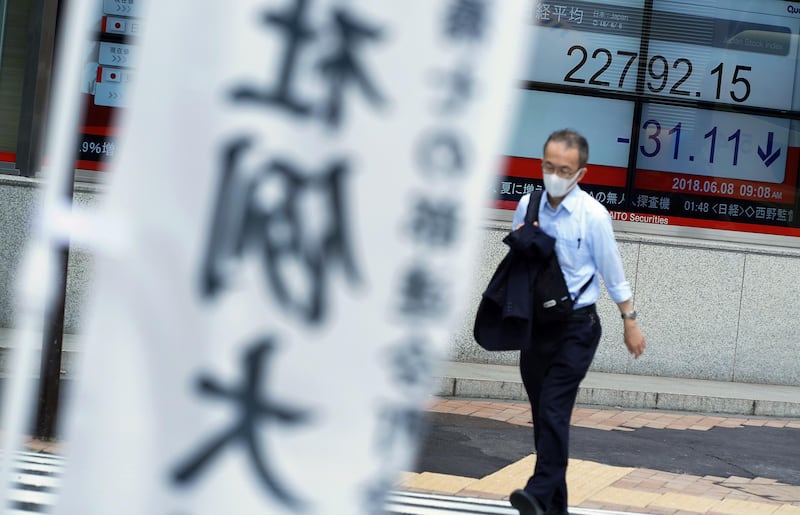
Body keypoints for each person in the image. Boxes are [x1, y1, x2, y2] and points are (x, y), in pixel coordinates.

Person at [508, 129, 646, 515]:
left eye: (564, 169)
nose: (555, 174)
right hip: (536, 328)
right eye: (549, 166)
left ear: (580, 173)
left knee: (553, 409)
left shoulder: (593, 216)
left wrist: (629, 321)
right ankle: (555, 509)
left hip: (577, 328)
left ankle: (536, 493)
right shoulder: (527, 206)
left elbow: (613, 273)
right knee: (543, 418)